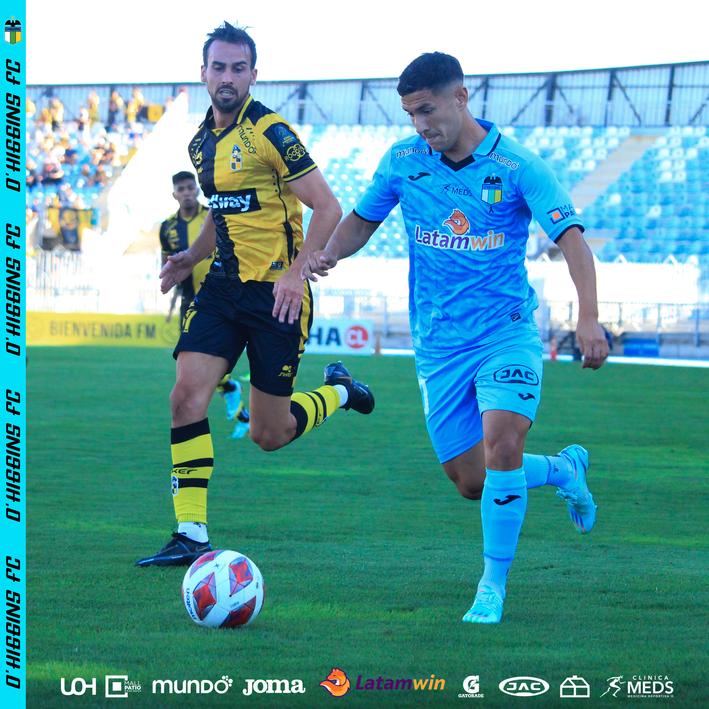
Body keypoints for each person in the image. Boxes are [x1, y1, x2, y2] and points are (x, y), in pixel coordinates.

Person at [303, 53, 608, 623]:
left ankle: (491, 586)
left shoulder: (517, 166)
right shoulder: (403, 161)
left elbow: (572, 241)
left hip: (505, 333)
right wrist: (329, 252)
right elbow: (363, 221)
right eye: (411, 114)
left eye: (427, 110)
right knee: (472, 481)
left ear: (460, 97)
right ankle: (564, 470)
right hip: (439, 345)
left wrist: (587, 318)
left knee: (503, 444)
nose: (420, 124)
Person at [136, 22, 374, 567]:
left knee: (270, 433)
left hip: (277, 296)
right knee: (184, 397)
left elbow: (328, 206)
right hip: (222, 289)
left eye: (238, 68)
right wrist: (191, 257)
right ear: (203, 73)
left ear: (253, 75)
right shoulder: (199, 143)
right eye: (218, 67)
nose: (227, 77)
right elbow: (220, 214)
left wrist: (296, 272)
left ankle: (340, 391)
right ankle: (191, 533)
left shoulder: (271, 131)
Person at [158, 170, 247, 431]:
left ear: (197, 189)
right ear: (174, 194)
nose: (186, 193)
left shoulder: (214, 216)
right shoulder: (167, 227)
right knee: (190, 365)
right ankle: (229, 387)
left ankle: (229, 388)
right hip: (190, 301)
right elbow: (167, 261)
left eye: (190, 187)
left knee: (211, 360)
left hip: (221, 298)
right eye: (181, 189)